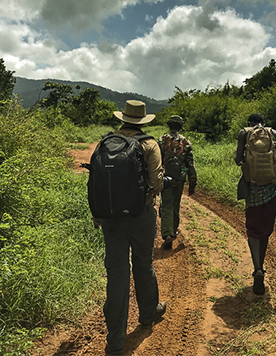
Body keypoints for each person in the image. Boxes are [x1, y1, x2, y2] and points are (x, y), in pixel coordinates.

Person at [94, 100, 170, 355]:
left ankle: (115, 341)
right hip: (141, 215)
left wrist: (98, 214)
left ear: (123, 118)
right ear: (142, 120)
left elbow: (97, 183)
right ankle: (148, 313)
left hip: (110, 219)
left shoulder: (105, 142)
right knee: (142, 262)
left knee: (116, 274)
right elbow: (157, 184)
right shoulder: (149, 144)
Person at [234, 113, 276, 295]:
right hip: (272, 189)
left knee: (253, 229)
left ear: (250, 123)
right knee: (266, 230)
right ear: (264, 123)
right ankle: (262, 264)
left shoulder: (244, 133)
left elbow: (238, 160)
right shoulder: (275, 134)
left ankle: (257, 268)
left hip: (253, 189)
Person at [157, 115, 198, 250]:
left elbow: (157, 162)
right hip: (179, 179)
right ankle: (173, 230)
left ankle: (167, 233)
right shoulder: (186, 142)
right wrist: (193, 182)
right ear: (180, 127)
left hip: (165, 177)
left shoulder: (162, 140)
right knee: (176, 204)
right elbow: (190, 164)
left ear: (169, 125)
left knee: (166, 204)